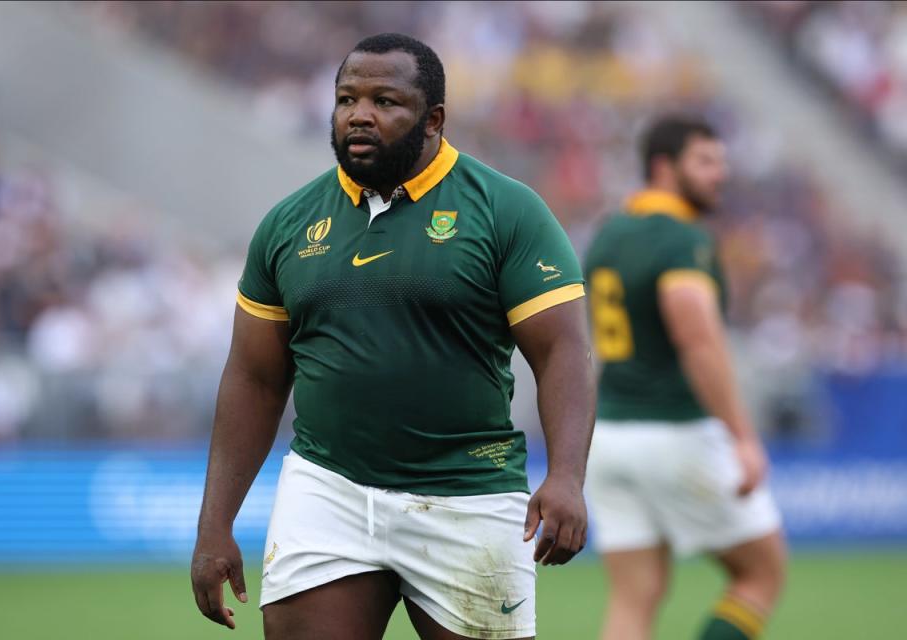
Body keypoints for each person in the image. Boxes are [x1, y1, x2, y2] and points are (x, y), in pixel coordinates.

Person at [191, 33, 595, 640]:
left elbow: (563, 349)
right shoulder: (288, 224)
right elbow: (254, 377)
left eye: (385, 101)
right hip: (328, 489)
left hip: (468, 494)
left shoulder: (506, 210)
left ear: (432, 119)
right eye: (347, 98)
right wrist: (214, 524)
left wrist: (565, 475)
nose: (360, 114)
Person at [582, 117, 786, 640]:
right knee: (762, 574)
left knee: (634, 598)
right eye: (706, 161)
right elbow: (696, 337)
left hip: (608, 437)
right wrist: (742, 436)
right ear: (663, 167)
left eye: (721, 161)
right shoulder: (679, 240)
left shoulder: (609, 233)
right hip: (675, 433)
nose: (720, 174)